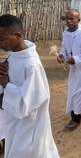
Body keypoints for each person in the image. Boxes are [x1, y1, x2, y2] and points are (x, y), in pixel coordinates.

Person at [0, 14, 59, 157]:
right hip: (15, 125)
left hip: (28, 131)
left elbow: (28, 104)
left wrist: (6, 85)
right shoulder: (13, 55)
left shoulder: (32, 65)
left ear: (17, 36)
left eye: (1, 39)